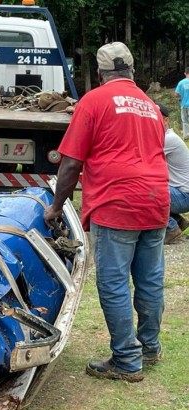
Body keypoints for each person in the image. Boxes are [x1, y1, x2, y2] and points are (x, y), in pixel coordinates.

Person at [44, 42, 169, 382]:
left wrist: (56, 207)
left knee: (113, 283)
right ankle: (149, 347)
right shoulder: (150, 106)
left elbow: (70, 164)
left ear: (100, 74)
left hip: (118, 203)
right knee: (150, 279)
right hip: (156, 199)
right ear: (132, 70)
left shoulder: (94, 101)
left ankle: (127, 361)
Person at [156, 102, 189, 244]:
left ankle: (172, 227)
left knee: (145, 190)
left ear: (166, 120)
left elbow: (142, 157)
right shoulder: (168, 137)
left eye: (157, 118)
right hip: (181, 193)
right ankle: (180, 222)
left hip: (184, 196)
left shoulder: (167, 139)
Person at [175, 67, 189, 139]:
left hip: (184, 105)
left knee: (185, 121)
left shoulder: (181, 82)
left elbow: (176, 94)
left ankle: (186, 135)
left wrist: (181, 97)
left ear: (185, 73)